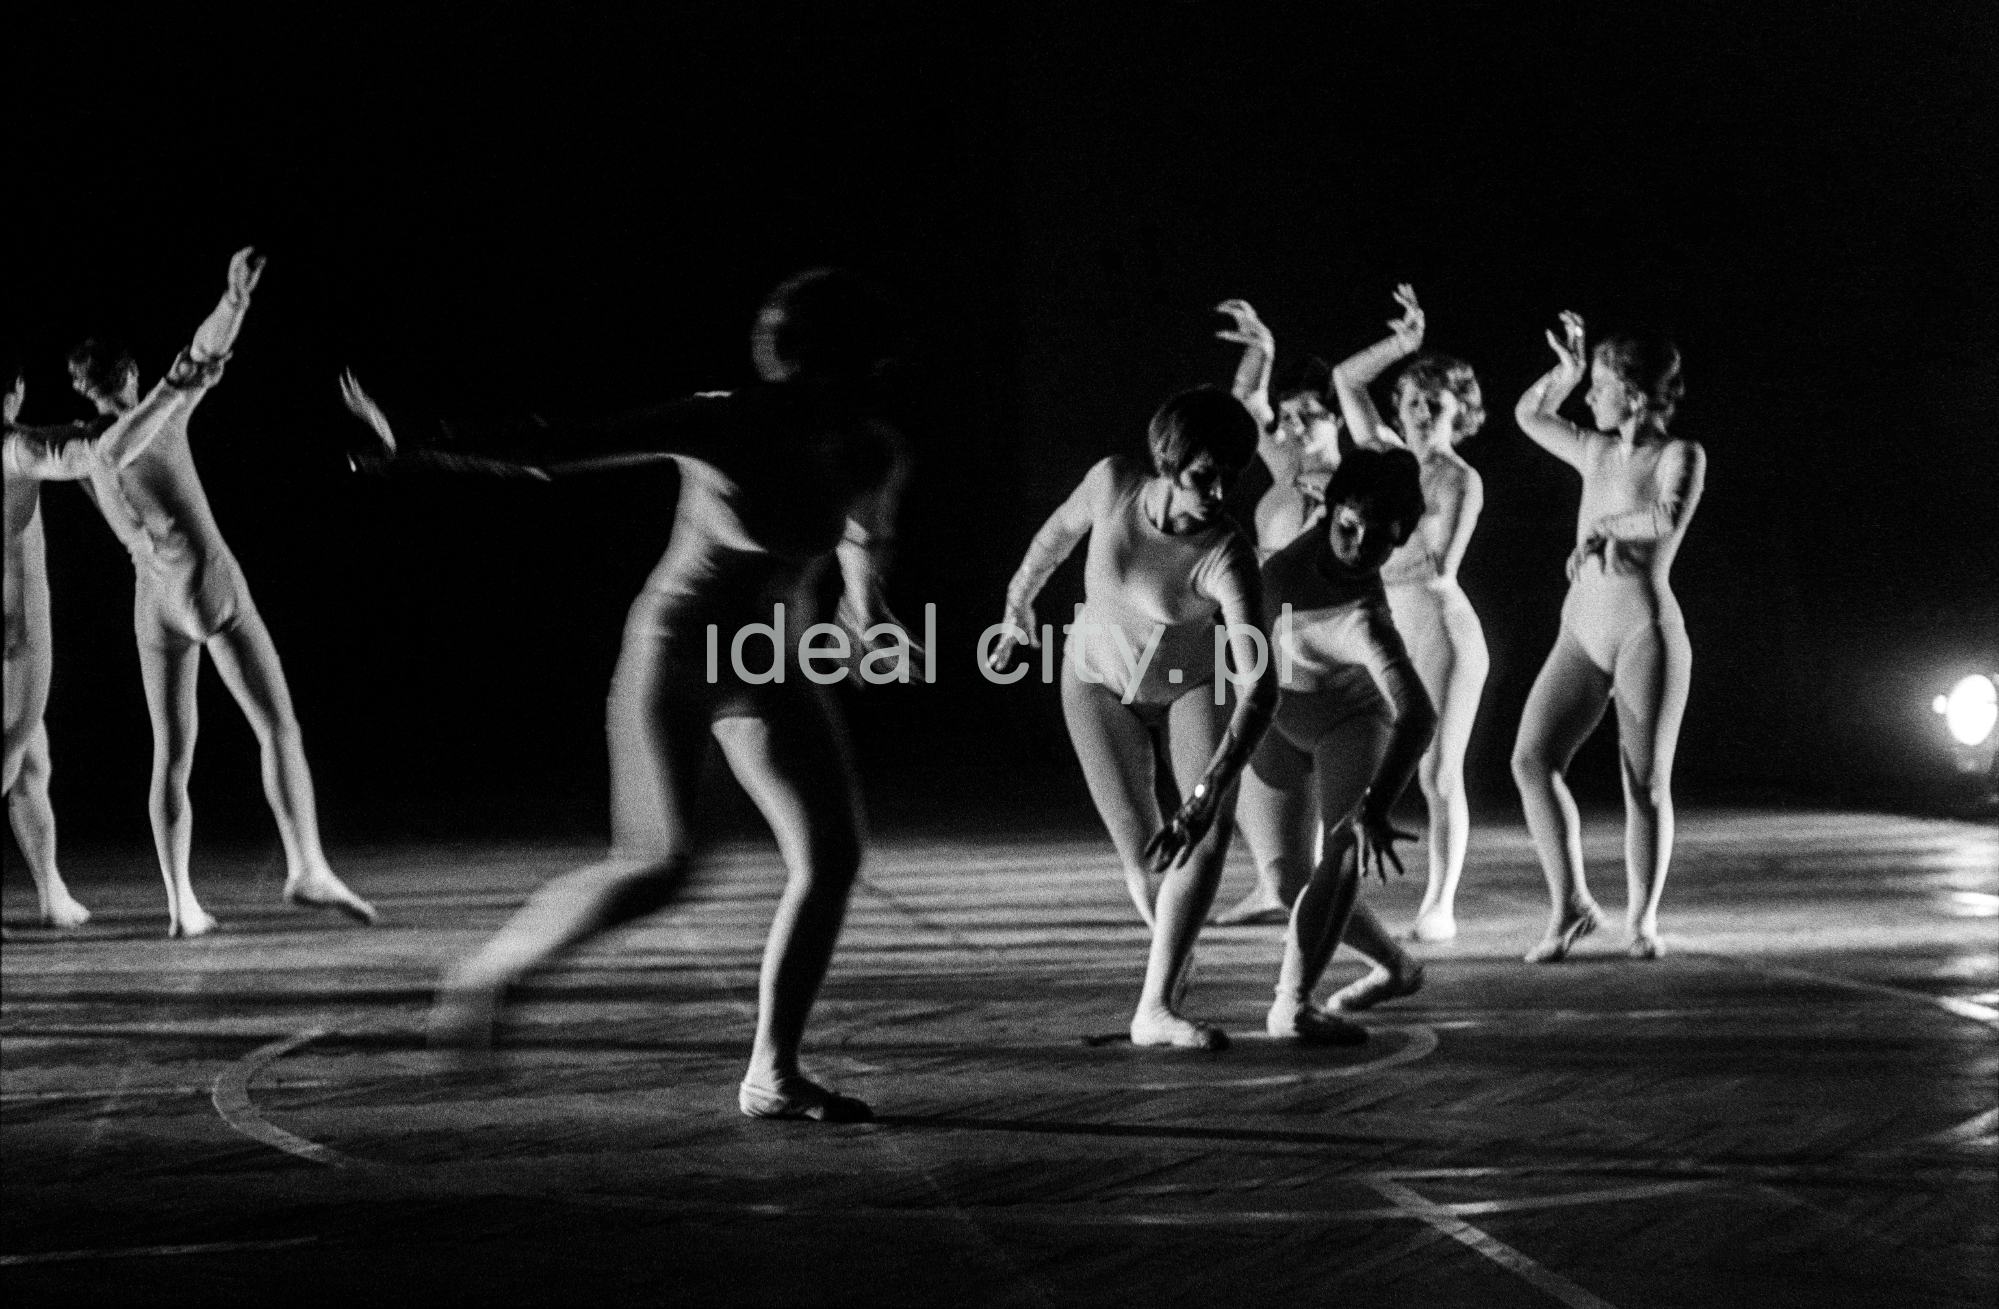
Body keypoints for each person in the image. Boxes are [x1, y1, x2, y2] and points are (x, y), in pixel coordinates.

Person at [400, 268, 915, 1122]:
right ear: (808, 364)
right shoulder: (727, 419)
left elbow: (863, 527)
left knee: (831, 857)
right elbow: (560, 445)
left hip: (758, 654)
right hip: (676, 647)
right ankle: (492, 972)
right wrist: (432, 439)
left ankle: (773, 1072)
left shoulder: (869, 443)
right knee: (660, 863)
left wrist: (867, 606)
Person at [68, 248, 375, 936]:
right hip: (207, 586)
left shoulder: (85, 452)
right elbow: (200, 357)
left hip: (152, 603)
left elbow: (186, 371)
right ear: (129, 374)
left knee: (172, 755)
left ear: (87, 390)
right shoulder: (160, 417)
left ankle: (181, 903)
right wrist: (234, 300)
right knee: (277, 725)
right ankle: (306, 863)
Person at [991, 386, 1276, 1050]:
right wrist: (1017, 604)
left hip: (1188, 687)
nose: (1217, 490)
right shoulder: (1113, 483)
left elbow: (1260, 686)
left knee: (1203, 836)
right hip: (1095, 683)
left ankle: (1153, 1006)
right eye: (1205, 474)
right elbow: (1054, 535)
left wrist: (1206, 794)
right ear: (1168, 460)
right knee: (1145, 855)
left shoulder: (1225, 553)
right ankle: (1168, 970)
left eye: (1231, 476)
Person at [1511, 313, 1705, 962]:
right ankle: (1570, 905)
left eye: (1597, 383)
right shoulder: (1592, 449)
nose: (1590, 397)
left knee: (1643, 783)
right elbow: (1527, 415)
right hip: (1580, 629)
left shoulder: (1679, 454)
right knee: (1530, 759)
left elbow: (1666, 513)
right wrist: (1563, 371)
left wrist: (1604, 529)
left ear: (1634, 390)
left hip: (1643, 631)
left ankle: (1642, 919)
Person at [1249, 445, 1436, 1041]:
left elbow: (1419, 715)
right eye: (1349, 528)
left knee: (1343, 850)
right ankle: (1398, 966)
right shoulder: (1294, 544)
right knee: (1283, 882)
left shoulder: (1364, 619)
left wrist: (1377, 804)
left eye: (1379, 540)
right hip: (1280, 713)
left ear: (1400, 540)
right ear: (1327, 509)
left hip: (1349, 723)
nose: (1357, 547)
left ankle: (1294, 1004)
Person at [5, 365, 194, 928]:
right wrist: (170, 397)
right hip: (13, 634)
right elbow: (91, 451)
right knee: (12, 746)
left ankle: (50, 890)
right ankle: (50, 891)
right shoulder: (15, 447)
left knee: (32, 761)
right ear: (14, 391)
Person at [1330, 285, 1489, 949]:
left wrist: (1352, 557)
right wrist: (1401, 343)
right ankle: (1330, 888)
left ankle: (1440, 902)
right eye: (1412, 401)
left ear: (1460, 413)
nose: (1422, 412)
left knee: (1435, 771)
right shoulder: (1384, 456)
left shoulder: (1458, 479)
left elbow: (1436, 566)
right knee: (1350, 757)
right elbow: (1343, 378)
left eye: (1436, 404)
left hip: (1439, 627)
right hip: (1383, 624)